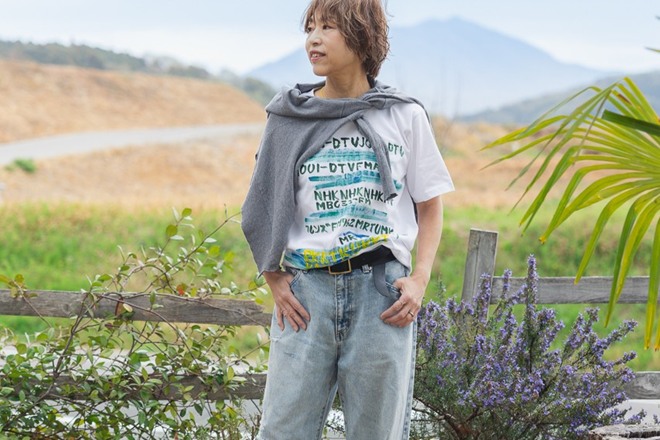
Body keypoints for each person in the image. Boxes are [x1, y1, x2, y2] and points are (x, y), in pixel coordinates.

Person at [241, 0, 454, 438]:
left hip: (382, 296)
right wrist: (274, 278)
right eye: (310, 28)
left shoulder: (403, 115)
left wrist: (419, 279)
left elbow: (430, 204)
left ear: (361, 36)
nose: (313, 39)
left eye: (328, 27)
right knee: (282, 432)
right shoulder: (289, 116)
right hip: (306, 296)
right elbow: (261, 203)